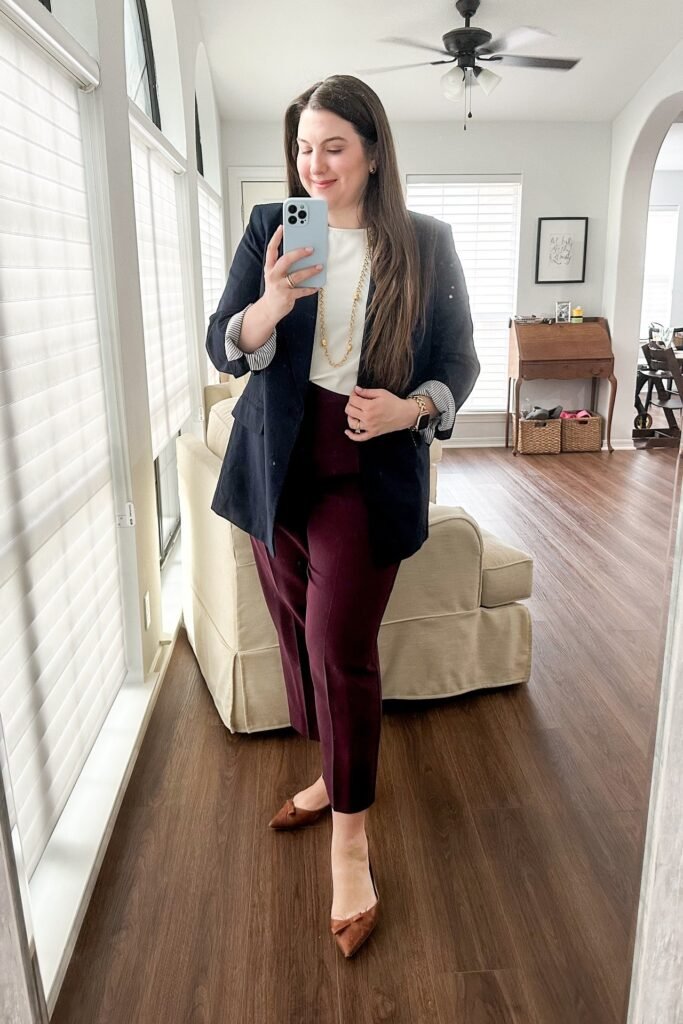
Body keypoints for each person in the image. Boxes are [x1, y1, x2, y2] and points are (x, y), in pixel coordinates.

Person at [206, 74, 480, 958]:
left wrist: (410, 410)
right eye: (302, 147)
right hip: (274, 468)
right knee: (294, 634)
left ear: (370, 151)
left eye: (332, 145)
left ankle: (351, 845)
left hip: (367, 473)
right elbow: (222, 339)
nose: (313, 164)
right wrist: (266, 311)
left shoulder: (427, 245)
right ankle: (332, 772)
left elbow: (459, 364)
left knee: (339, 650)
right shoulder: (274, 230)